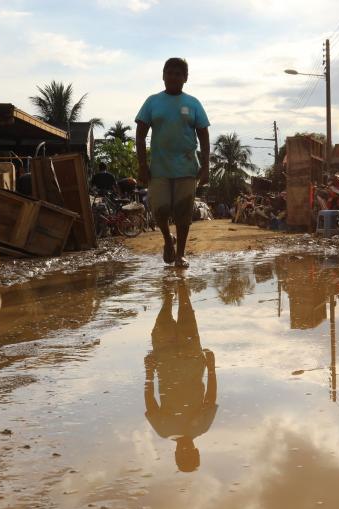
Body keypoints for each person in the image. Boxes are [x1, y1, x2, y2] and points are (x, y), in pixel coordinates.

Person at [135, 57, 210, 269]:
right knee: (160, 210)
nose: (174, 77)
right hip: (159, 168)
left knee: (183, 212)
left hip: (187, 167)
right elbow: (140, 135)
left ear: (185, 78)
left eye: (179, 73)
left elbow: (204, 135)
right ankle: (168, 239)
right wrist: (142, 165)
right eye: (170, 72)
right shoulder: (152, 102)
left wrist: (206, 166)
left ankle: (181, 254)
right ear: (163, 75)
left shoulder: (193, 103)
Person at [144, 278, 217, 472]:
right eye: (189, 454)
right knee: (185, 305)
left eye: (182, 455)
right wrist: (211, 368)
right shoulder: (201, 427)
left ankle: (171, 286)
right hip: (190, 354)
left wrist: (149, 373)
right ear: (196, 451)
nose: (185, 451)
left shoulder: (164, 430)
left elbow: (150, 403)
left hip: (165, 355)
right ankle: (179, 276)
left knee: (167, 309)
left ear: (176, 454)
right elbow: (210, 397)